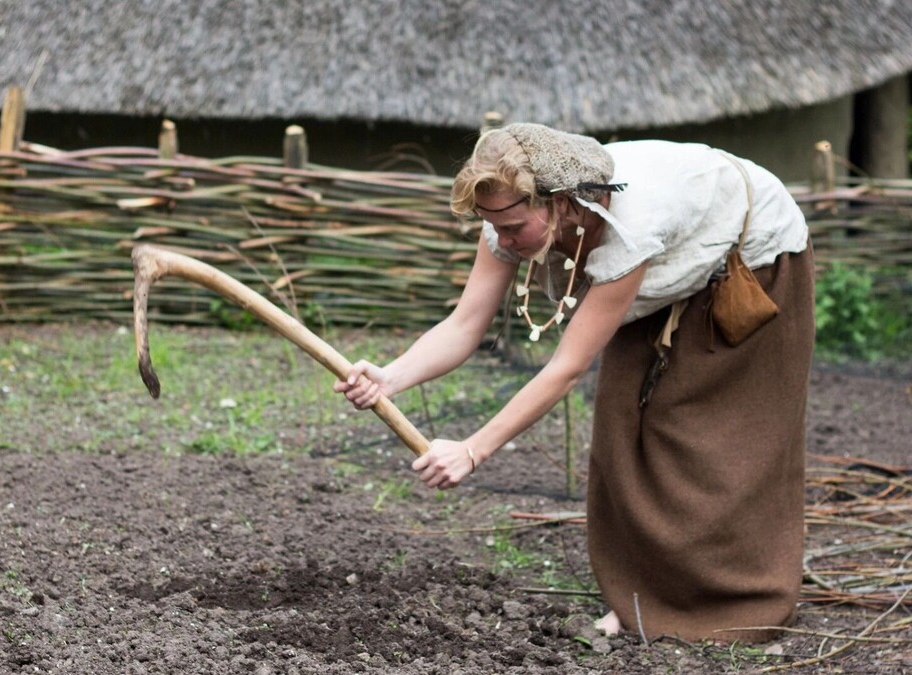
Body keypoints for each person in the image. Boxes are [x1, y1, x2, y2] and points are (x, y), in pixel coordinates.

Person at [334, 123, 814, 643]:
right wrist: (391, 376)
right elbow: (464, 325)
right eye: (494, 225)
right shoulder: (509, 216)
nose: (504, 238)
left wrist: (473, 450)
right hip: (665, 263)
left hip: (750, 258)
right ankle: (640, 600)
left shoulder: (629, 226)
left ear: (562, 204)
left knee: (704, 435)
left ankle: (739, 600)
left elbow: (564, 369)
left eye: (515, 226)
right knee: (622, 422)